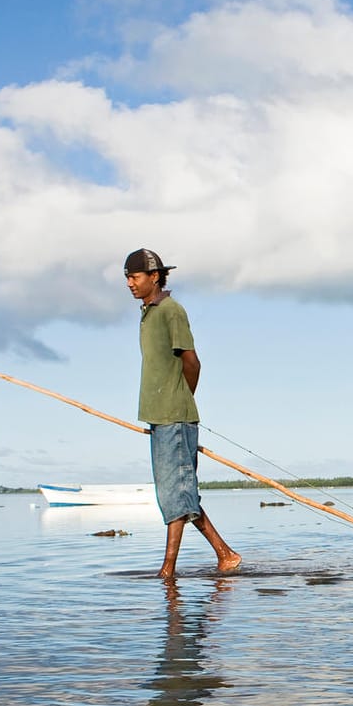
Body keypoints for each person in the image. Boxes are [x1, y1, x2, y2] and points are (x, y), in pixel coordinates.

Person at [125, 247, 242, 578]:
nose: (130, 284)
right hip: (159, 417)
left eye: (135, 277)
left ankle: (168, 570)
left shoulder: (171, 311)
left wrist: (180, 400)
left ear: (155, 277)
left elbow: (192, 362)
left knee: (176, 494)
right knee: (177, 493)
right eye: (128, 278)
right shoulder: (148, 314)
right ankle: (225, 554)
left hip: (175, 416)